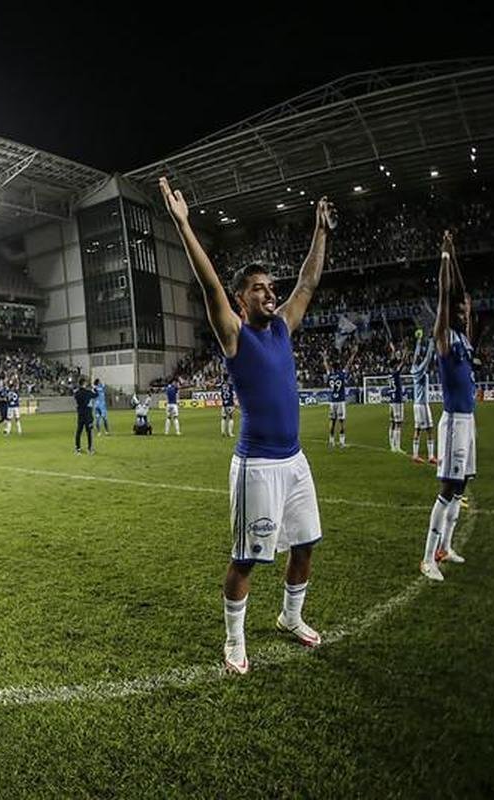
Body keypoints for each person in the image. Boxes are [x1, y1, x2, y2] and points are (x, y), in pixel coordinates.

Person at [161, 176, 333, 675]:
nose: (269, 294)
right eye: (258, 289)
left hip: (295, 461)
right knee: (247, 560)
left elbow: (307, 283)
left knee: (306, 545)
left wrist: (320, 231)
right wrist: (183, 223)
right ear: (240, 300)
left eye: (269, 288)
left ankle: (290, 616)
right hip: (256, 466)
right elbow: (209, 282)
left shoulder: (282, 326)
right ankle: (234, 640)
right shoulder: (234, 335)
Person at [420, 232, 473, 581]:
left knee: (461, 486)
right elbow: (444, 297)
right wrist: (443, 258)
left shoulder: (466, 337)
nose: (467, 306)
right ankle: (427, 558)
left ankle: (446, 546)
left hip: (469, 422)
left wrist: (455, 257)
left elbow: (461, 292)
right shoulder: (444, 336)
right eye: (462, 305)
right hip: (453, 421)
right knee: (447, 488)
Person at [409, 330, 437, 464]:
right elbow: (428, 357)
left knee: (418, 429)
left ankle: (415, 455)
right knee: (430, 429)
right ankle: (431, 456)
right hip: (422, 404)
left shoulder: (413, 368)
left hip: (416, 404)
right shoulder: (420, 369)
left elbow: (416, 356)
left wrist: (419, 341)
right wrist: (432, 341)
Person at [322, 346, 356, 449]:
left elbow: (326, 366)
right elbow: (348, 365)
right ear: (339, 367)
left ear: (333, 368)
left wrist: (324, 357)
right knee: (341, 422)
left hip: (332, 401)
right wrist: (353, 355)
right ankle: (342, 443)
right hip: (340, 401)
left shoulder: (330, 375)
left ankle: (331, 442)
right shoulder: (341, 374)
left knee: (332, 421)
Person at [385, 343, 406, 454]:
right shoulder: (396, 373)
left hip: (391, 401)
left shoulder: (390, 374)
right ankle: (397, 447)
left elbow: (395, 363)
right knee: (398, 423)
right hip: (397, 401)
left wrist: (393, 350)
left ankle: (392, 445)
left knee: (392, 423)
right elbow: (402, 363)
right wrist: (405, 353)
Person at [74, 378, 97, 454]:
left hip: (80, 414)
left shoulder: (77, 393)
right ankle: (90, 449)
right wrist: (94, 388)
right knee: (89, 432)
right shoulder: (88, 392)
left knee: (78, 432)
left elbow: (76, 397)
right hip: (88, 414)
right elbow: (96, 395)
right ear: (84, 383)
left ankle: (78, 448)